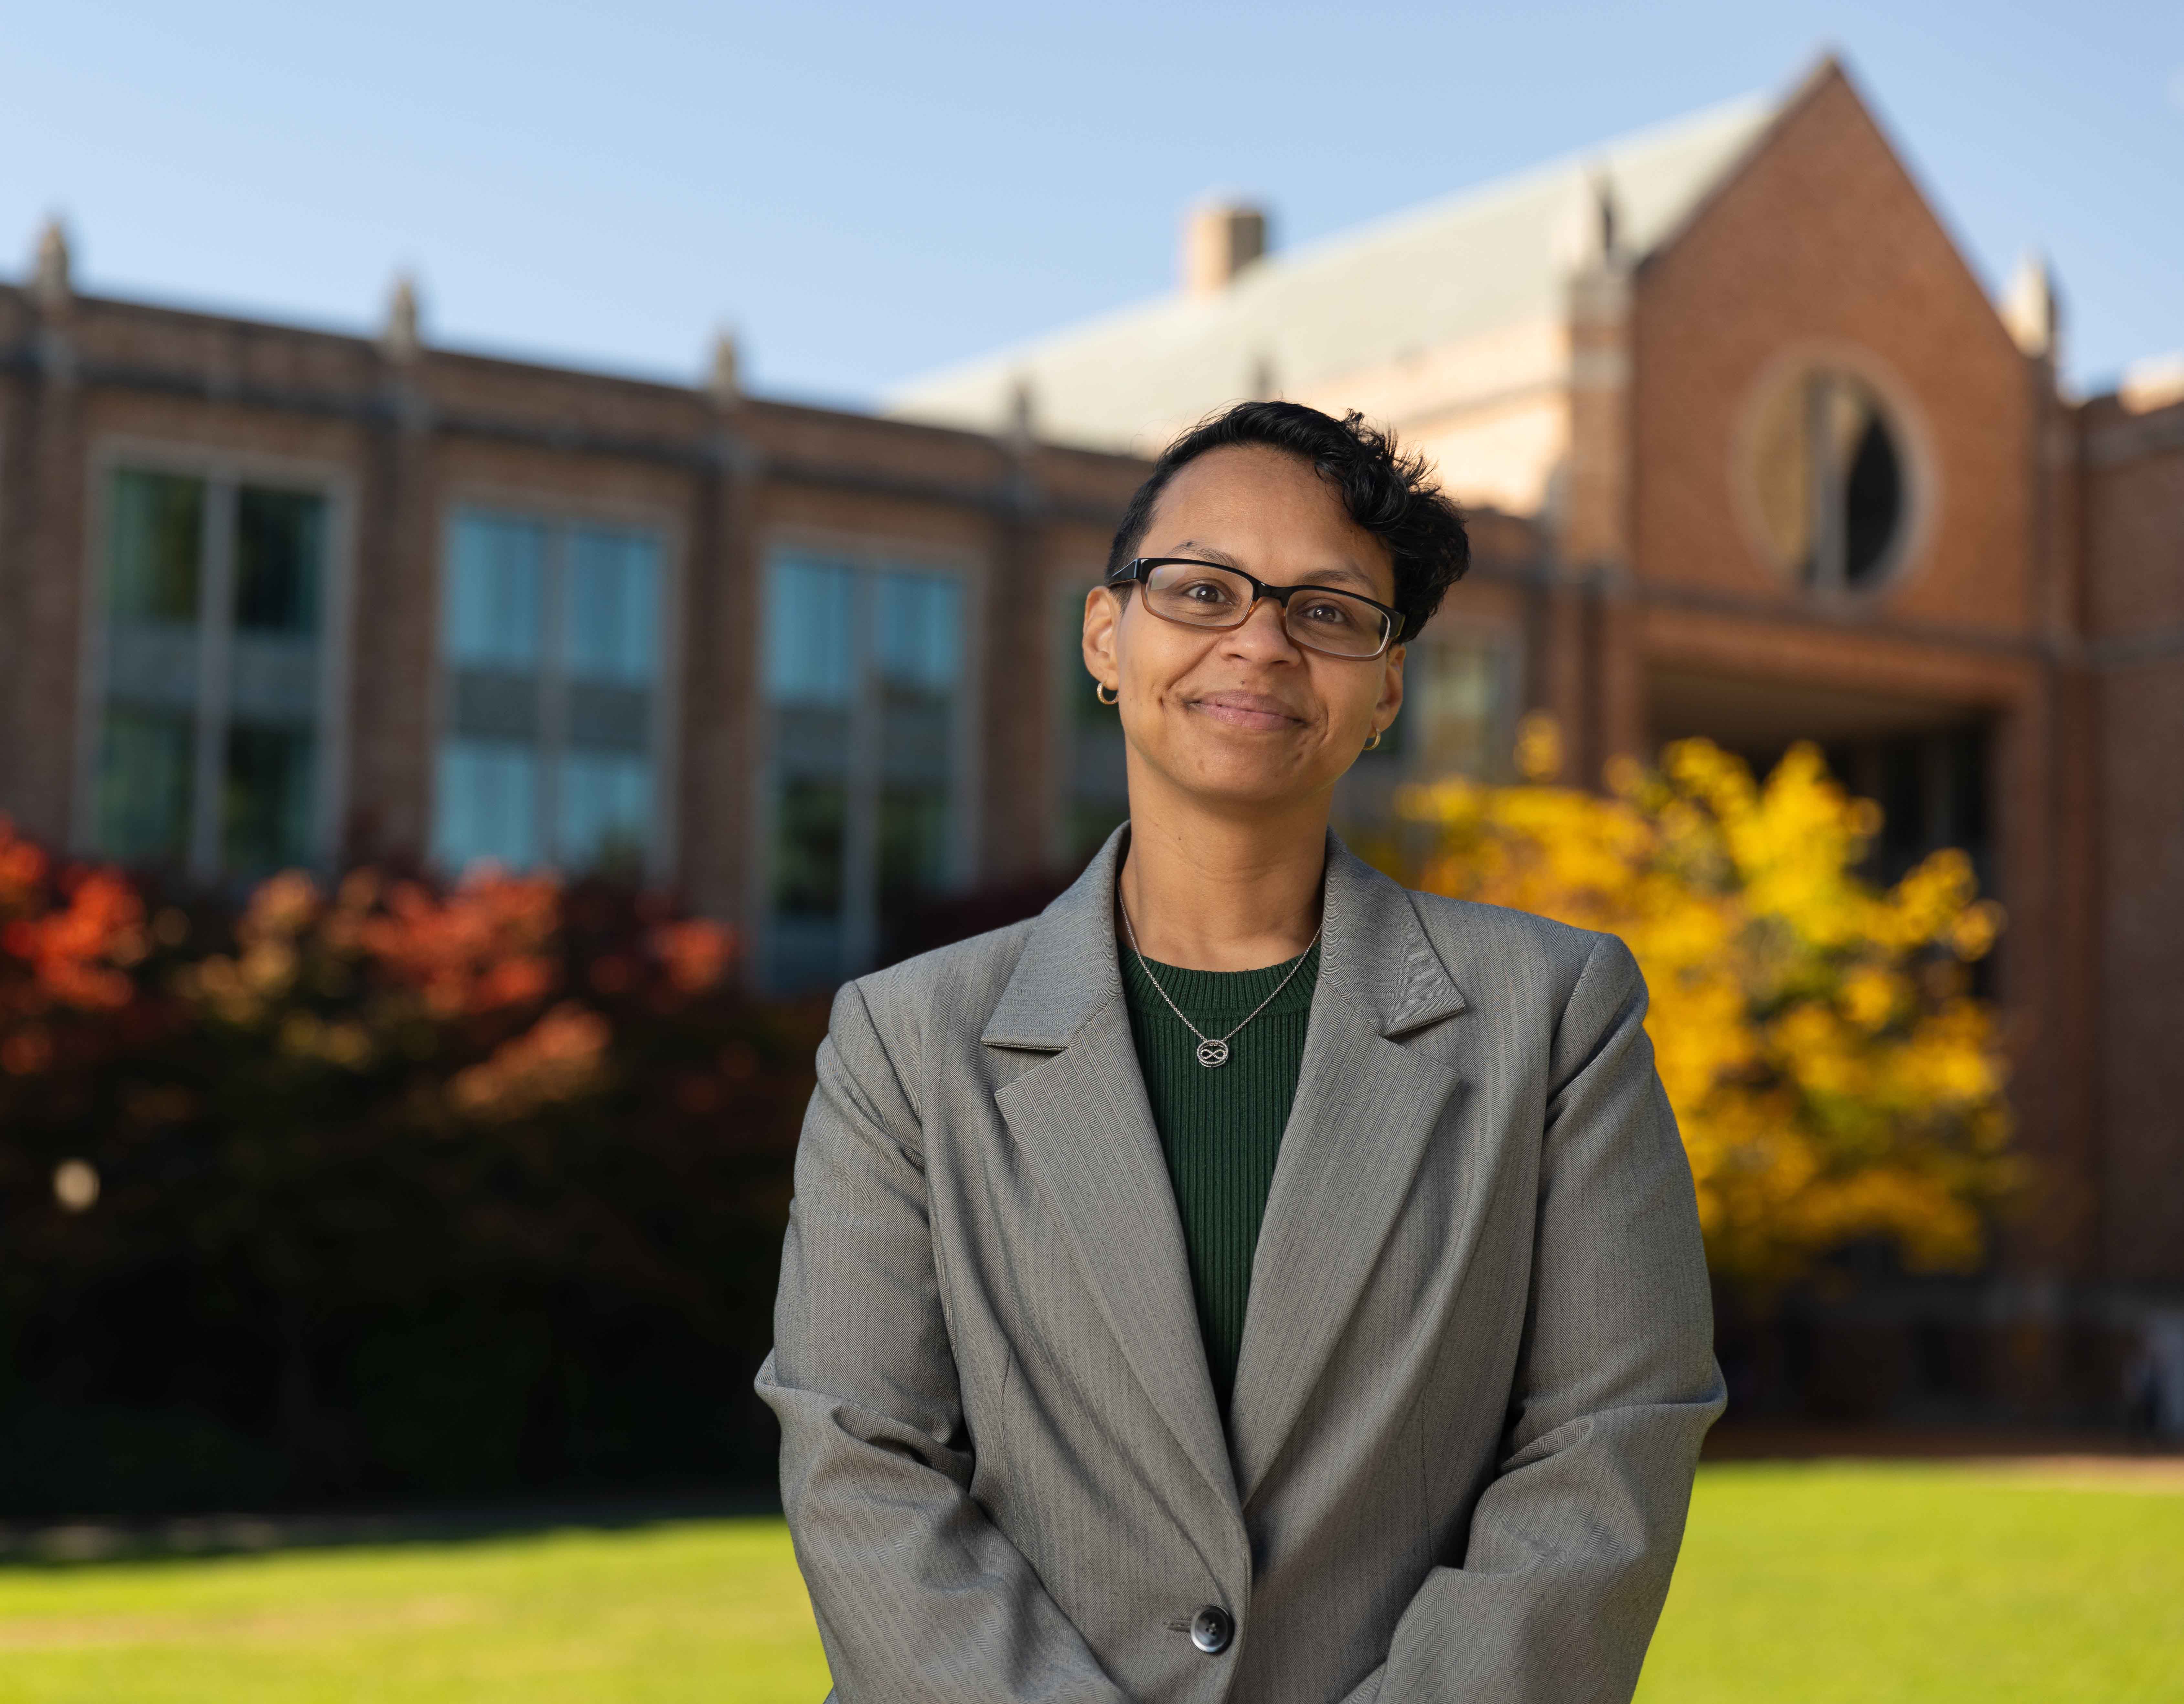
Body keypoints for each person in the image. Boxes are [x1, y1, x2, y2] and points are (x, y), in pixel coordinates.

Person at [756, 401, 1725, 1703]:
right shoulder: (904, 1041)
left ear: (1385, 687)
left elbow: (1608, 1444)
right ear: (1107, 634)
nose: (1259, 641)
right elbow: (862, 1461)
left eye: (1327, 612)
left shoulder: (1555, 1014)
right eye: (1202, 589)